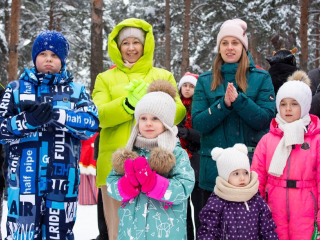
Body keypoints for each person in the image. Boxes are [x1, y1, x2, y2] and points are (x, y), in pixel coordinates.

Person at [92, 18, 186, 240]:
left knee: (157, 231)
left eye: (136, 42)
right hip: (116, 168)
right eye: (126, 43)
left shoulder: (163, 76)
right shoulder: (105, 78)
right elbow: (98, 116)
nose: (131, 48)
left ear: (146, 45)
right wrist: (128, 104)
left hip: (157, 166)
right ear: (117, 46)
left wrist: (154, 104)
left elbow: (179, 112)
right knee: (117, 232)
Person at [0, 30, 99, 239]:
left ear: (62, 60)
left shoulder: (77, 91)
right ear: (35, 57)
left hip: (63, 182)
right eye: (43, 54)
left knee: (60, 235)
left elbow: (91, 124)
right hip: (24, 182)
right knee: (21, 235)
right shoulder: (16, 89)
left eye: (54, 55)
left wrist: (58, 115)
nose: (48, 59)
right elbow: (1, 129)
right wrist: (28, 121)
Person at [191, 19, 275, 205]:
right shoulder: (205, 80)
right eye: (225, 43)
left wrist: (239, 101)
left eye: (235, 42)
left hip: (249, 170)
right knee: (212, 231)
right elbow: (198, 123)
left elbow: (265, 120)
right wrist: (223, 105)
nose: (230, 48)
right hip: (214, 173)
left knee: (248, 231)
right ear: (219, 47)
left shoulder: (261, 78)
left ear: (243, 47)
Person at [107, 80, 195, 239]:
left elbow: (184, 187)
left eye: (155, 118)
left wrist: (154, 184)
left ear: (166, 123)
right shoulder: (129, 154)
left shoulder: (175, 153)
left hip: (165, 233)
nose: (148, 123)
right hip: (131, 233)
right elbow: (111, 183)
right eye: (143, 118)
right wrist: (125, 186)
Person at [251, 70, 320, 239]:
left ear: (304, 106)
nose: (288, 109)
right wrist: (256, 212)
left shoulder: (316, 140)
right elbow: (257, 178)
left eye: (294, 104)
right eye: (283, 104)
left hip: (306, 212)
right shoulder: (267, 140)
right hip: (274, 209)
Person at [198, 144, 278, 239]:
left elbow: (267, 230)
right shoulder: (217, 202)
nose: (242, 178)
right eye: (236, 174)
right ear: (225, 176)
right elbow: (209, 231)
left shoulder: (256, 200)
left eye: (245, 173)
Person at [177, 72, 201, 240]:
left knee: (199, 207)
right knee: (182, 209)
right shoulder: (176, 106)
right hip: (179, 160)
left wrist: (188, 133)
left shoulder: (199, 105)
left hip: (197, 160)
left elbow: (205, 132)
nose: (187, 89)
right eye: (185, 85)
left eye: (191, 86)